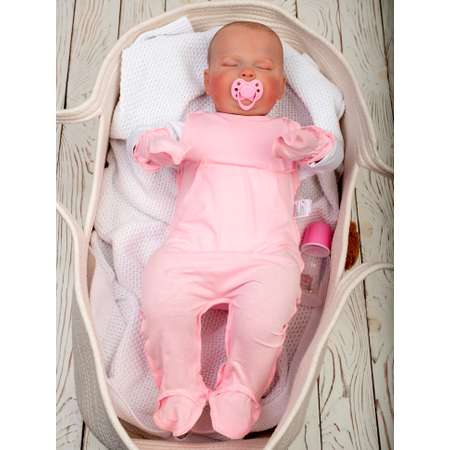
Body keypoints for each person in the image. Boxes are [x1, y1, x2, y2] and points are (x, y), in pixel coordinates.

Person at [132, 21, 339, 440]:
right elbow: (143, 145)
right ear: (209, 81)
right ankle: (179, 387)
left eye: (263, 67)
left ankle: (241, 390)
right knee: (162, 300)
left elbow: (329, 153)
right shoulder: (194, 126)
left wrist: (313, 147)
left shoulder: (285, 133)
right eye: (232, 64)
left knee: (264, 321)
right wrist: (156, 146)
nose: (248, 74)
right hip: (191, 251)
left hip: (265, 258)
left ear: (280, 88)